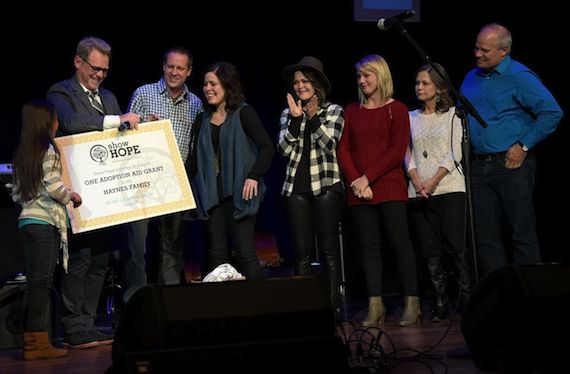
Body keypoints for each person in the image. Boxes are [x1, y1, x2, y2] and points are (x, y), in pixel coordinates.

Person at [47, 36, 142, 349]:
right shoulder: (61, 92)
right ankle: (73, 326)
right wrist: (117, 120)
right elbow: (72, 123)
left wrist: (143, 129)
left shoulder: (110, 98)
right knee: (80, 257)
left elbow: (117, 137)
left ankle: (89, 322)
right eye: (94, 68)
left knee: (100, 258)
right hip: (75, 192)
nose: (99, 74)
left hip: (105, 193)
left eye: (104, 70)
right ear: (78, 62)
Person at [460, 23, 563, 277]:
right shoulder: (471, 77)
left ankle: (533, 299)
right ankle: (500, 299)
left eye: (484, 50)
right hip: (478, 166)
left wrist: (524, 145)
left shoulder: (520, 76)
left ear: (504, 51)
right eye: (476, 48)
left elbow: (552, 112)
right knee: (485, 238)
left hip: (511, 165)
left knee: (521, 233)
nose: (477, 54)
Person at [338, 54, 420, 327]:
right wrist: (356, 182)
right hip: (359, 191)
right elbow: (344, 149)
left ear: (381, 76)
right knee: (368, 247)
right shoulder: (352, 111)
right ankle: (376, 304)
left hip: (390, 186)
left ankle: (412, 302)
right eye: (359, 76)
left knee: (400, 243)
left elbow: (396, 150)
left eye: (367, 75)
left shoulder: (396, 109)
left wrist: (367, 179)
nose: (362, 81)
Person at [124, 46, 203, 302]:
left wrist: (184, 179)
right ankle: (135, 303)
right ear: (163, 66)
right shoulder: (144, 94)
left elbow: (194, 147)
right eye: (170, 66)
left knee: (172, 248)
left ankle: (169, 303)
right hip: (142, 181)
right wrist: (145, 128)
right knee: (138, 247)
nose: (174, 72)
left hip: (174, 183)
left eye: (180, 68)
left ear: (189, 71)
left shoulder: (196, 104)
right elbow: (123, 135)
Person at [186, 61, 274, 279]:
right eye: (205, 84)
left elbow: (267, 149)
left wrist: (253, 176)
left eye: (213, 83)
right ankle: (223, 309)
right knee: (217, 256)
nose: (207, 88)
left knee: (244, 253)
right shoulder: (202, 118)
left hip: (240, 193)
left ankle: (260, 306)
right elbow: (194, 162)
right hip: (212, 197)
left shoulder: (244, 113)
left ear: (227, 85)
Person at [12, 100, 82, 360]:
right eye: (54, 118)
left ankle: (31, 341)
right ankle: (38, 343)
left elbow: (17, 194)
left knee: (34, 284)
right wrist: (71, 196)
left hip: (26, 222)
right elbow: (55, 187)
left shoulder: (23, 152)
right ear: (47, 122)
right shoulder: (48, 149)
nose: (57, 123)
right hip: (44, 225)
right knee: (42, 283)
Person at [277, 56, 344, 311]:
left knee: (328, 249)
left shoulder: (334, 110)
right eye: (296, 82)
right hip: (296, 186)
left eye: (305, 80)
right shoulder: (287, 113)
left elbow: (329, 145)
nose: (300, 86)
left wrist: (313, 117)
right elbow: (282, 150)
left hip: (326, 184)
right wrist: (296, 120)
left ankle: (333, 306)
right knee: (301, 251)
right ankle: (307, 308)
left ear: (316, 83)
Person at [405, 63, 471, 321]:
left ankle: (467, 299)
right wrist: (416, 178)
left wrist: (433, 181)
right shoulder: (410, 117)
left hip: (449, 187)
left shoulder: (454, 115)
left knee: (455, 246)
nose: (419, 87)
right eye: (417, 83)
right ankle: (440, 301)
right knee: (429, 249)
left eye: (425, 83)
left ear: (440, 87)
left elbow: (454, 150)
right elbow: (405, 150)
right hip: (418, 189)